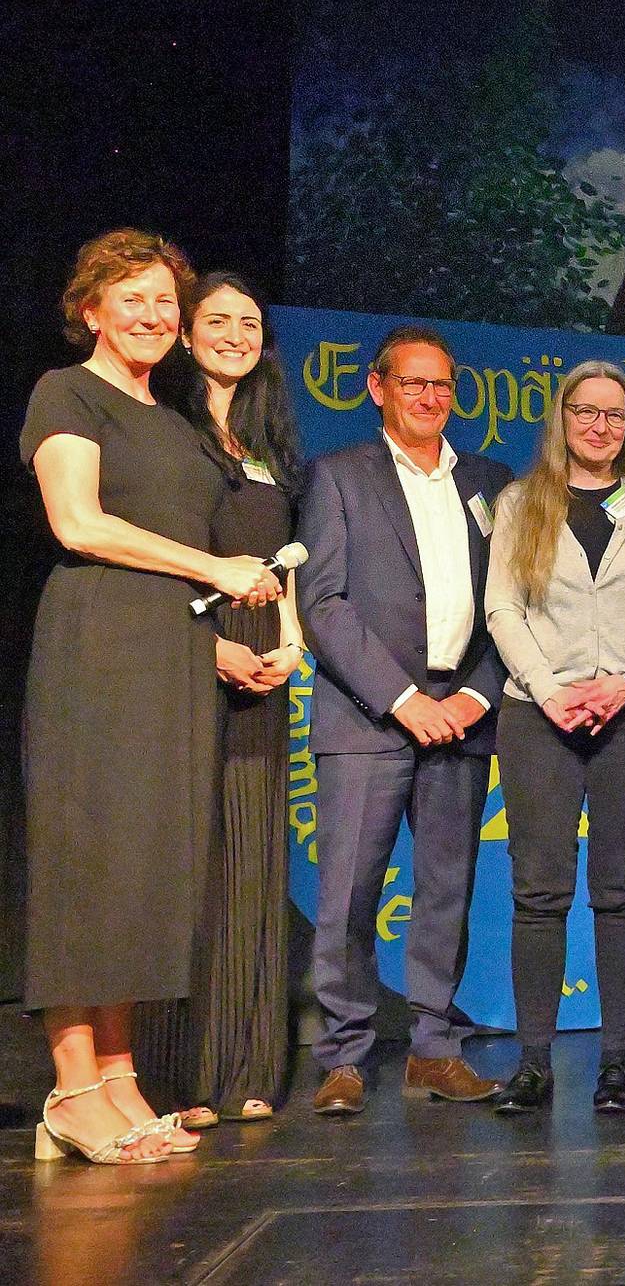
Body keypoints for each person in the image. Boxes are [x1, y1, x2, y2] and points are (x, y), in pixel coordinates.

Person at [20, 230, 281, 1165]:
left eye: (165, 300)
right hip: (97, 642)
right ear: (90, 309)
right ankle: (72, 1087)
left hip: (173, 653)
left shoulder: (174, 423)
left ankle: (122, 1077)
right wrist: (211, 565)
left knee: (145, 867)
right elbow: (78, 522)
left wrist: (221, 637)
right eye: (132, 297)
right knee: (87, 859)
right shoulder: (69, 392)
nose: (153, 314)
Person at [298, 324, 513, 1117]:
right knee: (349, 893)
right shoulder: (337, 477)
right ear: (378, 389)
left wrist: (476, 694)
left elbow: (514, 607)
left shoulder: (491, 480)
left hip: (462, 715)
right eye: (414, 383)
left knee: (446, 892)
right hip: (370, 717)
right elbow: (321, 601)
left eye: (442, 385)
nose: (430, 397)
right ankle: (345, 1056)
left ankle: (434, 1048)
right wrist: (401, 698)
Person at [484, 361, 625, 1117]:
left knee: (620, 889)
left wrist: (623, 681)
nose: (600, 426)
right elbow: (501, 607)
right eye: (587, 411)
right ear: (562, 416)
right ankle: (533, 1063)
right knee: (538, 891)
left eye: (615, 415)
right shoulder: (520, 502)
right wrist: (550, 688)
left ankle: (614, 1064)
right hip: (539, 714)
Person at [137, 273, 308, 1128]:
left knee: (253, 867)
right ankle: (181, 1078)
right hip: (184, 666)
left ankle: (249, 1067)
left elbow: (287, 563)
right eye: (217, 320)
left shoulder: (270, 441)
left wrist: (290, 649)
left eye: (249, 321)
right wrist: (208, 647)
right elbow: (149, 564)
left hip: (265, 678)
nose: (235, 334)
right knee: (190, 866)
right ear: (185, 335)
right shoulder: (164, 436)